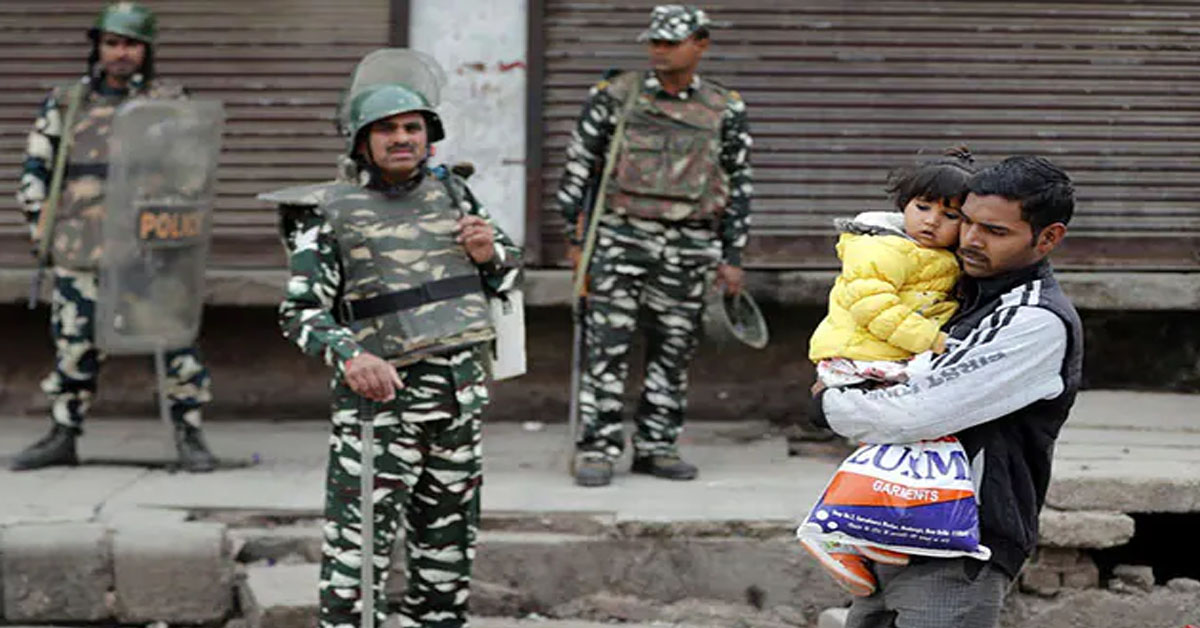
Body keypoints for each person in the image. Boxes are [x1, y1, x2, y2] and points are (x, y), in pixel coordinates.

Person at [275, 65, 521, 628]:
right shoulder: (326, 212)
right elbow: (300, 311)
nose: (402, 138)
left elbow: (508, 277)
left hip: (458, 405)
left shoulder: (455, 193)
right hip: (381, 410)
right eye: (386, 129)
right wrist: (352, 356)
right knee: (357, 562)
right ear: (362, 141)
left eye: (412, 127)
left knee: (446, 559)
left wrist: (490, 255)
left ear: (429, 135)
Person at [810, 156, 1083, 628]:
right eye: (968, 222)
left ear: (1048, 238)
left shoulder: (1034, 321)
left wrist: (826, 402)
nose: (971, 239)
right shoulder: (952, 291)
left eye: (995, 231)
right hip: (887, 525)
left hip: (959, 547)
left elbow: (915, 412)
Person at [11, 1, 217, 472]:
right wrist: (42, 232)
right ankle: (63, 433)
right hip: (81, 249)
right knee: (74, 345)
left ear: (147, 50)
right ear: (98, 48)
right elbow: (36, 171)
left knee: (174, 342)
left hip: (151, 250)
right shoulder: (67, 103)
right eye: (112, 43)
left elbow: (193, 171)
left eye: (131, 44)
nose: (121, 53)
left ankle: (188, 432)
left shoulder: (170, 102)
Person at [557, 4, 753, 486]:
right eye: (654, 42)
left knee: (673, 348)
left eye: (671, 42)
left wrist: (732, 256)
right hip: (620, 238)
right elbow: (580, 167)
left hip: (690, 244)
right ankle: (597, 448)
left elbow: (738, 182)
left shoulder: (724, 107)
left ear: (700, 44)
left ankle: (657, 446)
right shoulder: (616, 95)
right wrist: (575, 239)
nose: (659, 51)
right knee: (606, 346)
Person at [802, 148, 978, 596]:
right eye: (923, 207)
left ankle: (867, 528)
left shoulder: (930, 254)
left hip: (883, 356)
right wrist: (931, 339)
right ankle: (835, 533)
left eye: (950, 215)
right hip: (859, 357)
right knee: (907, 431)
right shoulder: (883, 247)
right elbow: (872, 305)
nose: (932, 221)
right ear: (904, 205)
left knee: (892, 449)